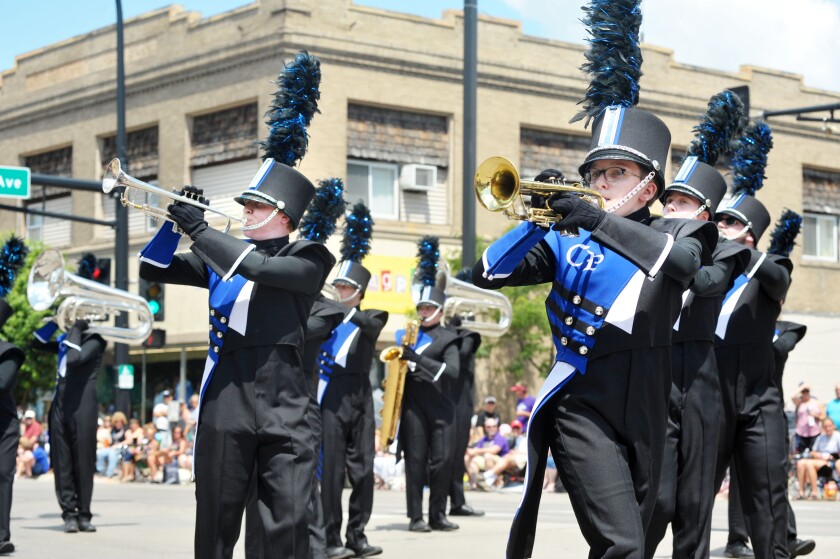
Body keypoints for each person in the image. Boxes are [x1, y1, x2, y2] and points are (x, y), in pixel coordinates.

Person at [473, 102, 715, 556]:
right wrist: (535, 217)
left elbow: (681, 265)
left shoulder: (678, 232)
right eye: (594, 173)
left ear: (648, 188)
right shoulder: (568, 238)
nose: (600, 182)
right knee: (620, 543)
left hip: (650, 398)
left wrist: (600, 220)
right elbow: (488, 272)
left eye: (616, 172)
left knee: (645, 526)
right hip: (580, 399)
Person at [644, 90, 751, 559]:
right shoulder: (647, 236)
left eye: (683, 203)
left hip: (703, 375)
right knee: (658, 496)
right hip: (658, 368)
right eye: (669, 200)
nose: (671, 208)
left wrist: (672, 248)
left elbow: (707, 281)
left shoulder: (728, 249)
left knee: (695, 501)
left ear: (704, 215)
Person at [713, 146, 794, 559]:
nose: (719, 225)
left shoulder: (767, 266)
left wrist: (744, 251)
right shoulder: (706, 268)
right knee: (688, 500)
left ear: (748, 233)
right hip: (710, 400)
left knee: (766, 498)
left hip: (758, 401)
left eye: (729, 221)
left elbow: (778, 276)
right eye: (718, 219)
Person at [318, 256, 388, 558]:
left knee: (363, 471)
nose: (339, 291)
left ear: (359, 292)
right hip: (332, 396)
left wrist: (341, 307)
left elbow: (371, 326)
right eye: (337, 286)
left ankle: (356, 535)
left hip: (360, 396)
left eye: (345, 287)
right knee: (332, 472)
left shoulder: (371, 314)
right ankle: (329, 538)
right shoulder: (326, 315)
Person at [397, 285, 462, 533]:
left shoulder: (448, 338)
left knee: (442, 461)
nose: (424, 312)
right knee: (414, 461)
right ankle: (415, 517)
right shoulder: (407, 336)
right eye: (421, 308)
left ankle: (437, 514)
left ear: (440, 311)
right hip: (414, 405)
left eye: (429, 308)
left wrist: (418, 359)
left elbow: (452, 372)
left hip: (441, 408)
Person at [33, 317, 105, 534]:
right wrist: (55, 323)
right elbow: (36, 342)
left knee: (83, 460)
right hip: (59, 404)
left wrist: (76, 328)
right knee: (62, 461)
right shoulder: (67, 339)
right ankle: (69, 514)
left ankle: (84, 514)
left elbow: (74, 358)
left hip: (83, 406)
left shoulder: (95, 340)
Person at [446, 315, 485, 517]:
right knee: (444, 455)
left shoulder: (469, 336)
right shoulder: (442, 335)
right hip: (444, 401)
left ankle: (457, 502)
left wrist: (452, 330)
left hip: (461, 403)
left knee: (457, 454)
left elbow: (460, 355)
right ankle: (446, 504)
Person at [0, 299, 24, 555]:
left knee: (1, 477)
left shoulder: (9, 352)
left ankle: (1, 536)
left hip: (3, 430)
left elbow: (2, 383)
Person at [794, 418, 840, 500]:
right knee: (801, 463)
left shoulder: (837, 436)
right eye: (825, 426)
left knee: (809, 464)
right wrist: (819, 455)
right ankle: (801, 492)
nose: (828, 428)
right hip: (820, 460)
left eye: (829, 426)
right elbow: (813, 452)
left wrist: (831, 457)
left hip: (832, 460)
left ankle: (815, 492)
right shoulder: (821, 438)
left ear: (833, 426)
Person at [465, 417, 510, 491]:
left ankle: (487, 482)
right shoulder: (484, 439)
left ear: (497, 427)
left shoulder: (500, 438)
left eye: (494, 426)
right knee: (469, 458)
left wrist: (475, 451)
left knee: (487, 455)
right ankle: (475, 483)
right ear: (485, 428)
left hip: (501, 462)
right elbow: (476, 450)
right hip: (486, 461)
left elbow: (494, 450)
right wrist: (469, 451)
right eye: (489, 427)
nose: (491, 428)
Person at [792, 384, 824, 453]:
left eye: (807, 391)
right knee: (800, 453)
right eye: (803, 392)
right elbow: (792, 397)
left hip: (814, 433)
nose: (805, 393)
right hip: (801, 433)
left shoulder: (816, 402)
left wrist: (816, 415)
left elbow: (824, 417)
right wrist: (802, 387)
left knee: (813, 453)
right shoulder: (799, 403)